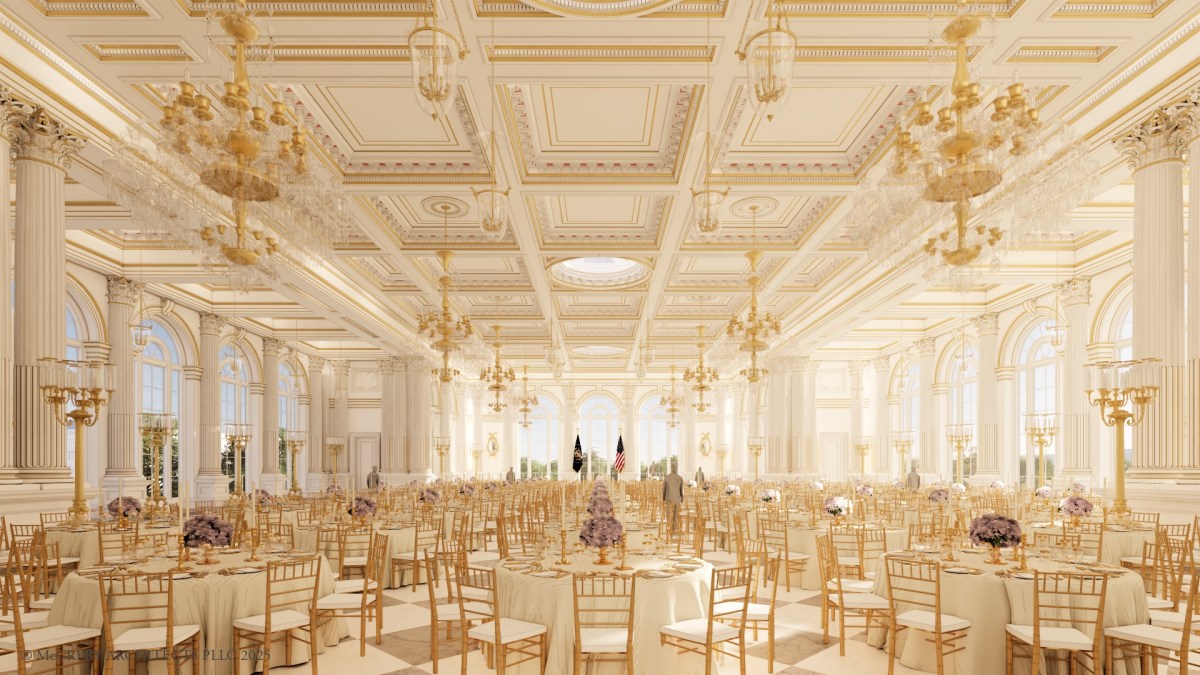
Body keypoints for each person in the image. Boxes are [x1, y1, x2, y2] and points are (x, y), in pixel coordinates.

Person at [662, 464, 684, 531]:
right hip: (677, 498)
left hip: (669, 498)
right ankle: (674, 528)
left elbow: (664, 488)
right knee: (675, 514)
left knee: (669, 513)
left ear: (671, 469)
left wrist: (663, 497)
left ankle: (670, 527)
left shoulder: (667, 477)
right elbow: (681, 489)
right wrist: (682, 497)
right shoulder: (679, 478)